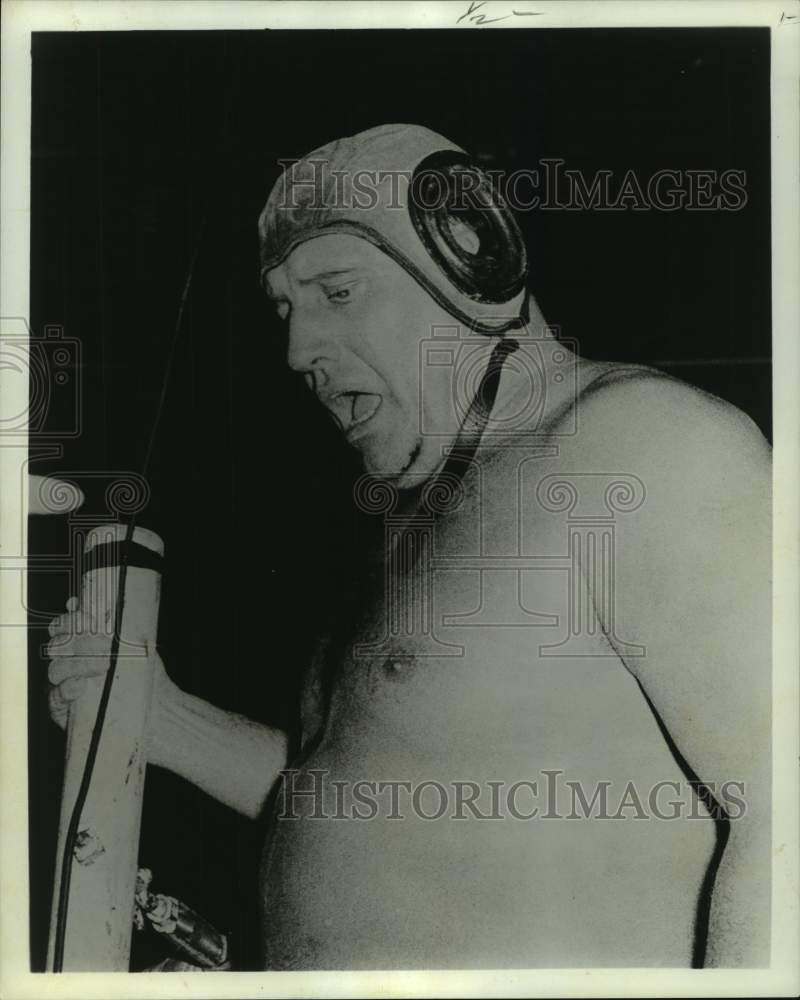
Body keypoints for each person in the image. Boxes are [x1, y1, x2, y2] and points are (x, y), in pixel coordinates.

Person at [47, 124, 771, 969]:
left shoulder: (636, 444)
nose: (297, 351)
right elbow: (368, 797)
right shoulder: (419, 520)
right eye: (285, 307)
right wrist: (162, 719)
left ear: (472, 256)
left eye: (338, 291)